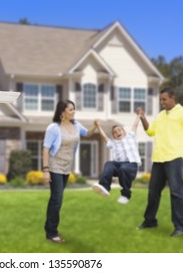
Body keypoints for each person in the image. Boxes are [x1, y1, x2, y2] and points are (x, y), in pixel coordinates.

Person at [136, 88, 183, 237]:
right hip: (158, 159)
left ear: (173, 98)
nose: (162, 102)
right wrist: (143, 118)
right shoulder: (160, 116)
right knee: (153, 193)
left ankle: (181, 226)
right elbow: (150, 131)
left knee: (176, 192)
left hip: (174, 158)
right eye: (160, 100)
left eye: (164, 99)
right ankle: (150, 221)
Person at [42, 100, 96, 243]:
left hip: (67, 167)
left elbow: (88, 133)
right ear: (62, 112)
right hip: (54, 166)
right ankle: (52, 233)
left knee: (56, 199)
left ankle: (50, 228)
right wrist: (46, 170)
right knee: (57, 199)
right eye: (70, 109)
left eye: (74, 109)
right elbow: (46, 148)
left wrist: (95, 126)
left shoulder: (76, 125)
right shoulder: (54, 128)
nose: (73, 112)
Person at [92, 113, 142, 204]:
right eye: (114, 132)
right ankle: (104, 187)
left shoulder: (131, 137)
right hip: (118, 165)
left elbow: (135, 125)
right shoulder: (113, 143)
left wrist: (138, 115)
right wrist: (98, 126)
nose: (117, 132)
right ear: (114, 136)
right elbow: (104, 136)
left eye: (119, 130)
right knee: (109, 164)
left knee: (123, 168)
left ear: (124, 132)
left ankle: (126, 194)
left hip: (131, 165)